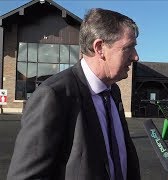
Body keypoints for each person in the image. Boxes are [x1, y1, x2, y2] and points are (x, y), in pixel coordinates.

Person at [7, 9, 140, 180]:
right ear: (99, 48)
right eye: (129, 48)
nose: (136, 57)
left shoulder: (113, 91)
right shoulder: (54, 95)